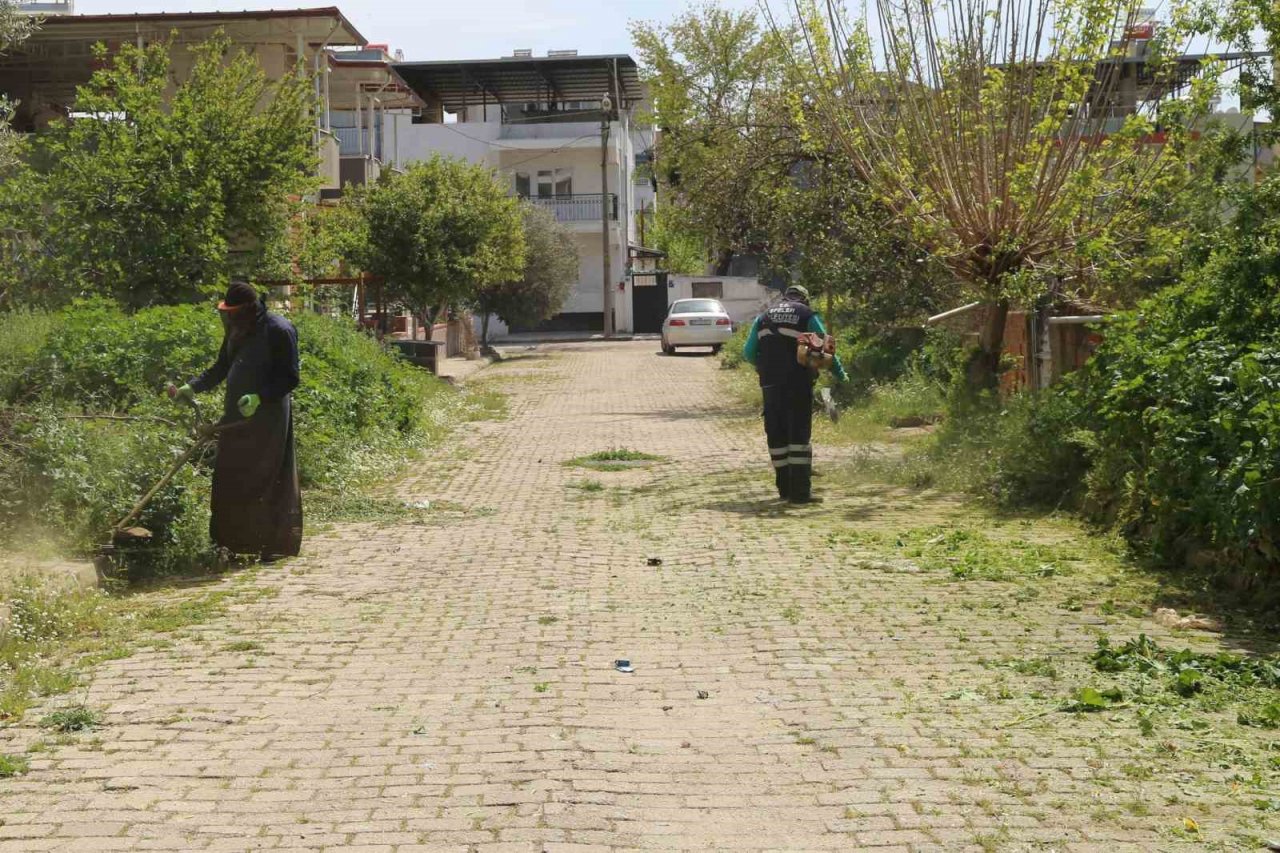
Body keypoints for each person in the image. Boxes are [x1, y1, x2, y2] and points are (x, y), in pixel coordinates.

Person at [168, 281, 303, 560]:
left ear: (250, 309)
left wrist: (260, 397)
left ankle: (271, 546)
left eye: (234, 312)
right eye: (227, 312)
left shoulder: (279, 330)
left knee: (265, 479)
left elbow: (290, 377)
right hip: (235, 415)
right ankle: (229, 545)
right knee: (229, 476)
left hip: (269, 418)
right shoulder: (236, 330)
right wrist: (193, 386)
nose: (230, 317)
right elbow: (221, 367)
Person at [742, 285, 849, 503]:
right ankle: (800, 494)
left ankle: (784, 490)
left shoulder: (763, 317)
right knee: (798, 438)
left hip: (770, 386)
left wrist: (767, 368)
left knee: (777, 437)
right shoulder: (806, 315)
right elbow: (825, 349)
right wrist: (841, 375)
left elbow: (748, 353)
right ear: (805, 299)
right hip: (797, 385)